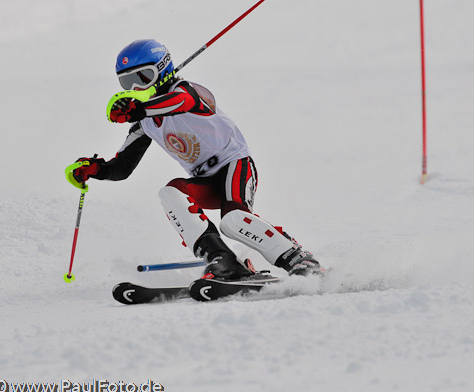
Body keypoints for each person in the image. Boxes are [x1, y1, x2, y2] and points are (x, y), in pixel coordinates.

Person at [69, 39, 322, 281]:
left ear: (162, 70)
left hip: (235, 165)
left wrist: (139, 109)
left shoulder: (186, 91)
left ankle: (298, 258)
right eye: (128, 83)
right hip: (204, 180)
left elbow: (181, 102)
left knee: (233, 220)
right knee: (170, 193)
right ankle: (223, 263)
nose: (136, 89)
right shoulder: (144, 122)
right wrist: (95, 170)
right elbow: (122, 168)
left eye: (142, 78)